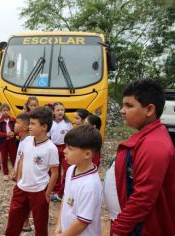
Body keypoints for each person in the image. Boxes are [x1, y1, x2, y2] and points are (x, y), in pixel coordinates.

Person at [104, 79, 175, 235]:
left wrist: (120, 229)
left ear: (149, 110)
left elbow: (143, 198)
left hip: (142, 229)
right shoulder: (147, 138)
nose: (122, 110)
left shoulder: (153, 145)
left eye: (129, 105)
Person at [5, 107, 59, 236]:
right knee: (13, 219)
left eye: (33, 124)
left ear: (44, 127)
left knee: (40, 224)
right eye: (29, 123)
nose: (29, 126)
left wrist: (47, 193)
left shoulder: (51, 148)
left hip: (39, 191)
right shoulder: (27, 140)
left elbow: (55, 173)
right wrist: (18, 180)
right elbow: (23, 159)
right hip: (21, 188)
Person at [56, 125, 103, 236]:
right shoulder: (71, 169)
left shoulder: (90, 185)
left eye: (70, 148)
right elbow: (66, 197)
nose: (64, 151)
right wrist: (59, 224)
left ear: (87, 154)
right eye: (65, 146)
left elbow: (83, 221)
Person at [13, 112, 33, 233]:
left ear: (25, 127)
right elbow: (18, 158)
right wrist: (15, 171)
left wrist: (19, 177)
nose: (14, 125)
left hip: (25, 177)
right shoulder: (22, 139)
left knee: (26, 200)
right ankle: (24, 221)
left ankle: (25, 223)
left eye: (17, 122)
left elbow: (25, 160)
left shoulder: (29, 141)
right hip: (19, 175)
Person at [49, 102, 73, 202]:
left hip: (65, 148)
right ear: (53, 112)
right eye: (58, 110)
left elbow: (71, 136)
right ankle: (55, 188)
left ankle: (62, 191)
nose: (60, 112)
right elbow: (48, 136)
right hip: (53, 147)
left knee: (67, 169)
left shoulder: (68, 123)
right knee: (54, 169)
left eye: (62, 110)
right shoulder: (50, 123)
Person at [0, 103, 17, 180]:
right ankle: (5, 173)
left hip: (12, 141)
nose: (6, 112)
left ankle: (15, 172)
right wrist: (6, 135)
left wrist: (14, 133)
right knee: (4, 158)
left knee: (13, 157)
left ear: (10, 111)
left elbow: (17, 130)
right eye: (4, 110)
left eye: (7, 110)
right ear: (1, 111)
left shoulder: (13, 120)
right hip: (3, 142)